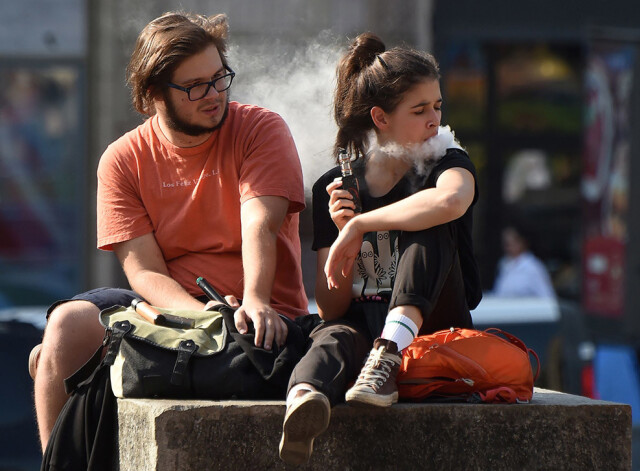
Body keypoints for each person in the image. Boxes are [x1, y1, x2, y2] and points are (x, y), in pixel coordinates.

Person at [31, 11, 309, 452]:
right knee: (62, 330)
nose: (214, 94)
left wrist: (253, 300)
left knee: (48, 359)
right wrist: (203, 316)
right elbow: (143, 272)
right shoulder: (122, 159)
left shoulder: (260, 128)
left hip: (259, 314)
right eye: (196, 86)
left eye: (220, 78)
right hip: (171, 309)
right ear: (152, 96)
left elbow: (260, 221)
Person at [278, 33, 481, 466]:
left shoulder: (448, 161)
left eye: (438, 106)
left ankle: (388, 352)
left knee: (430, 221)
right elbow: (332, 306)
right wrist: (344, 235)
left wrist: (363, 227)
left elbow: (452, 201)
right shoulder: (339, 187)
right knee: (330, 337)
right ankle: (303, 403)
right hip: (361, 328)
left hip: (434, 328)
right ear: (380, 118)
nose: (435, 120)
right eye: (420, 109)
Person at [491, 225, 557, 299]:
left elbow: (547, 297)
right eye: (505, 245)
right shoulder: (504, 264)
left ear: (521, 242)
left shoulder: (533, 267)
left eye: (509, 244)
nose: (506, 248)